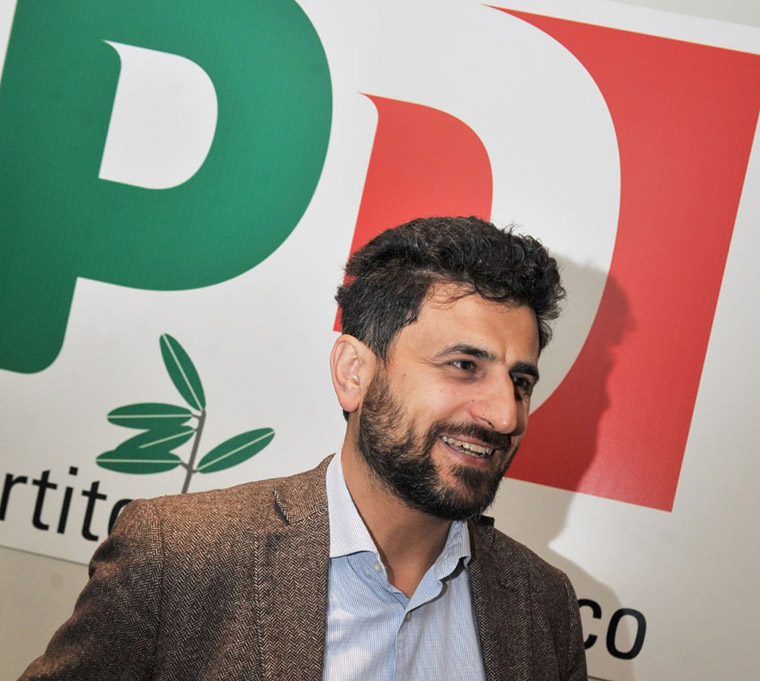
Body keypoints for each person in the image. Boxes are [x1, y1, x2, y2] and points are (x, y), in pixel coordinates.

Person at [19, 216, 587, 681]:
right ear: (354, 372)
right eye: (464, 365)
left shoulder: (543, 605)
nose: (506, 415)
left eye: (520, 381)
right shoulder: (179, 558)